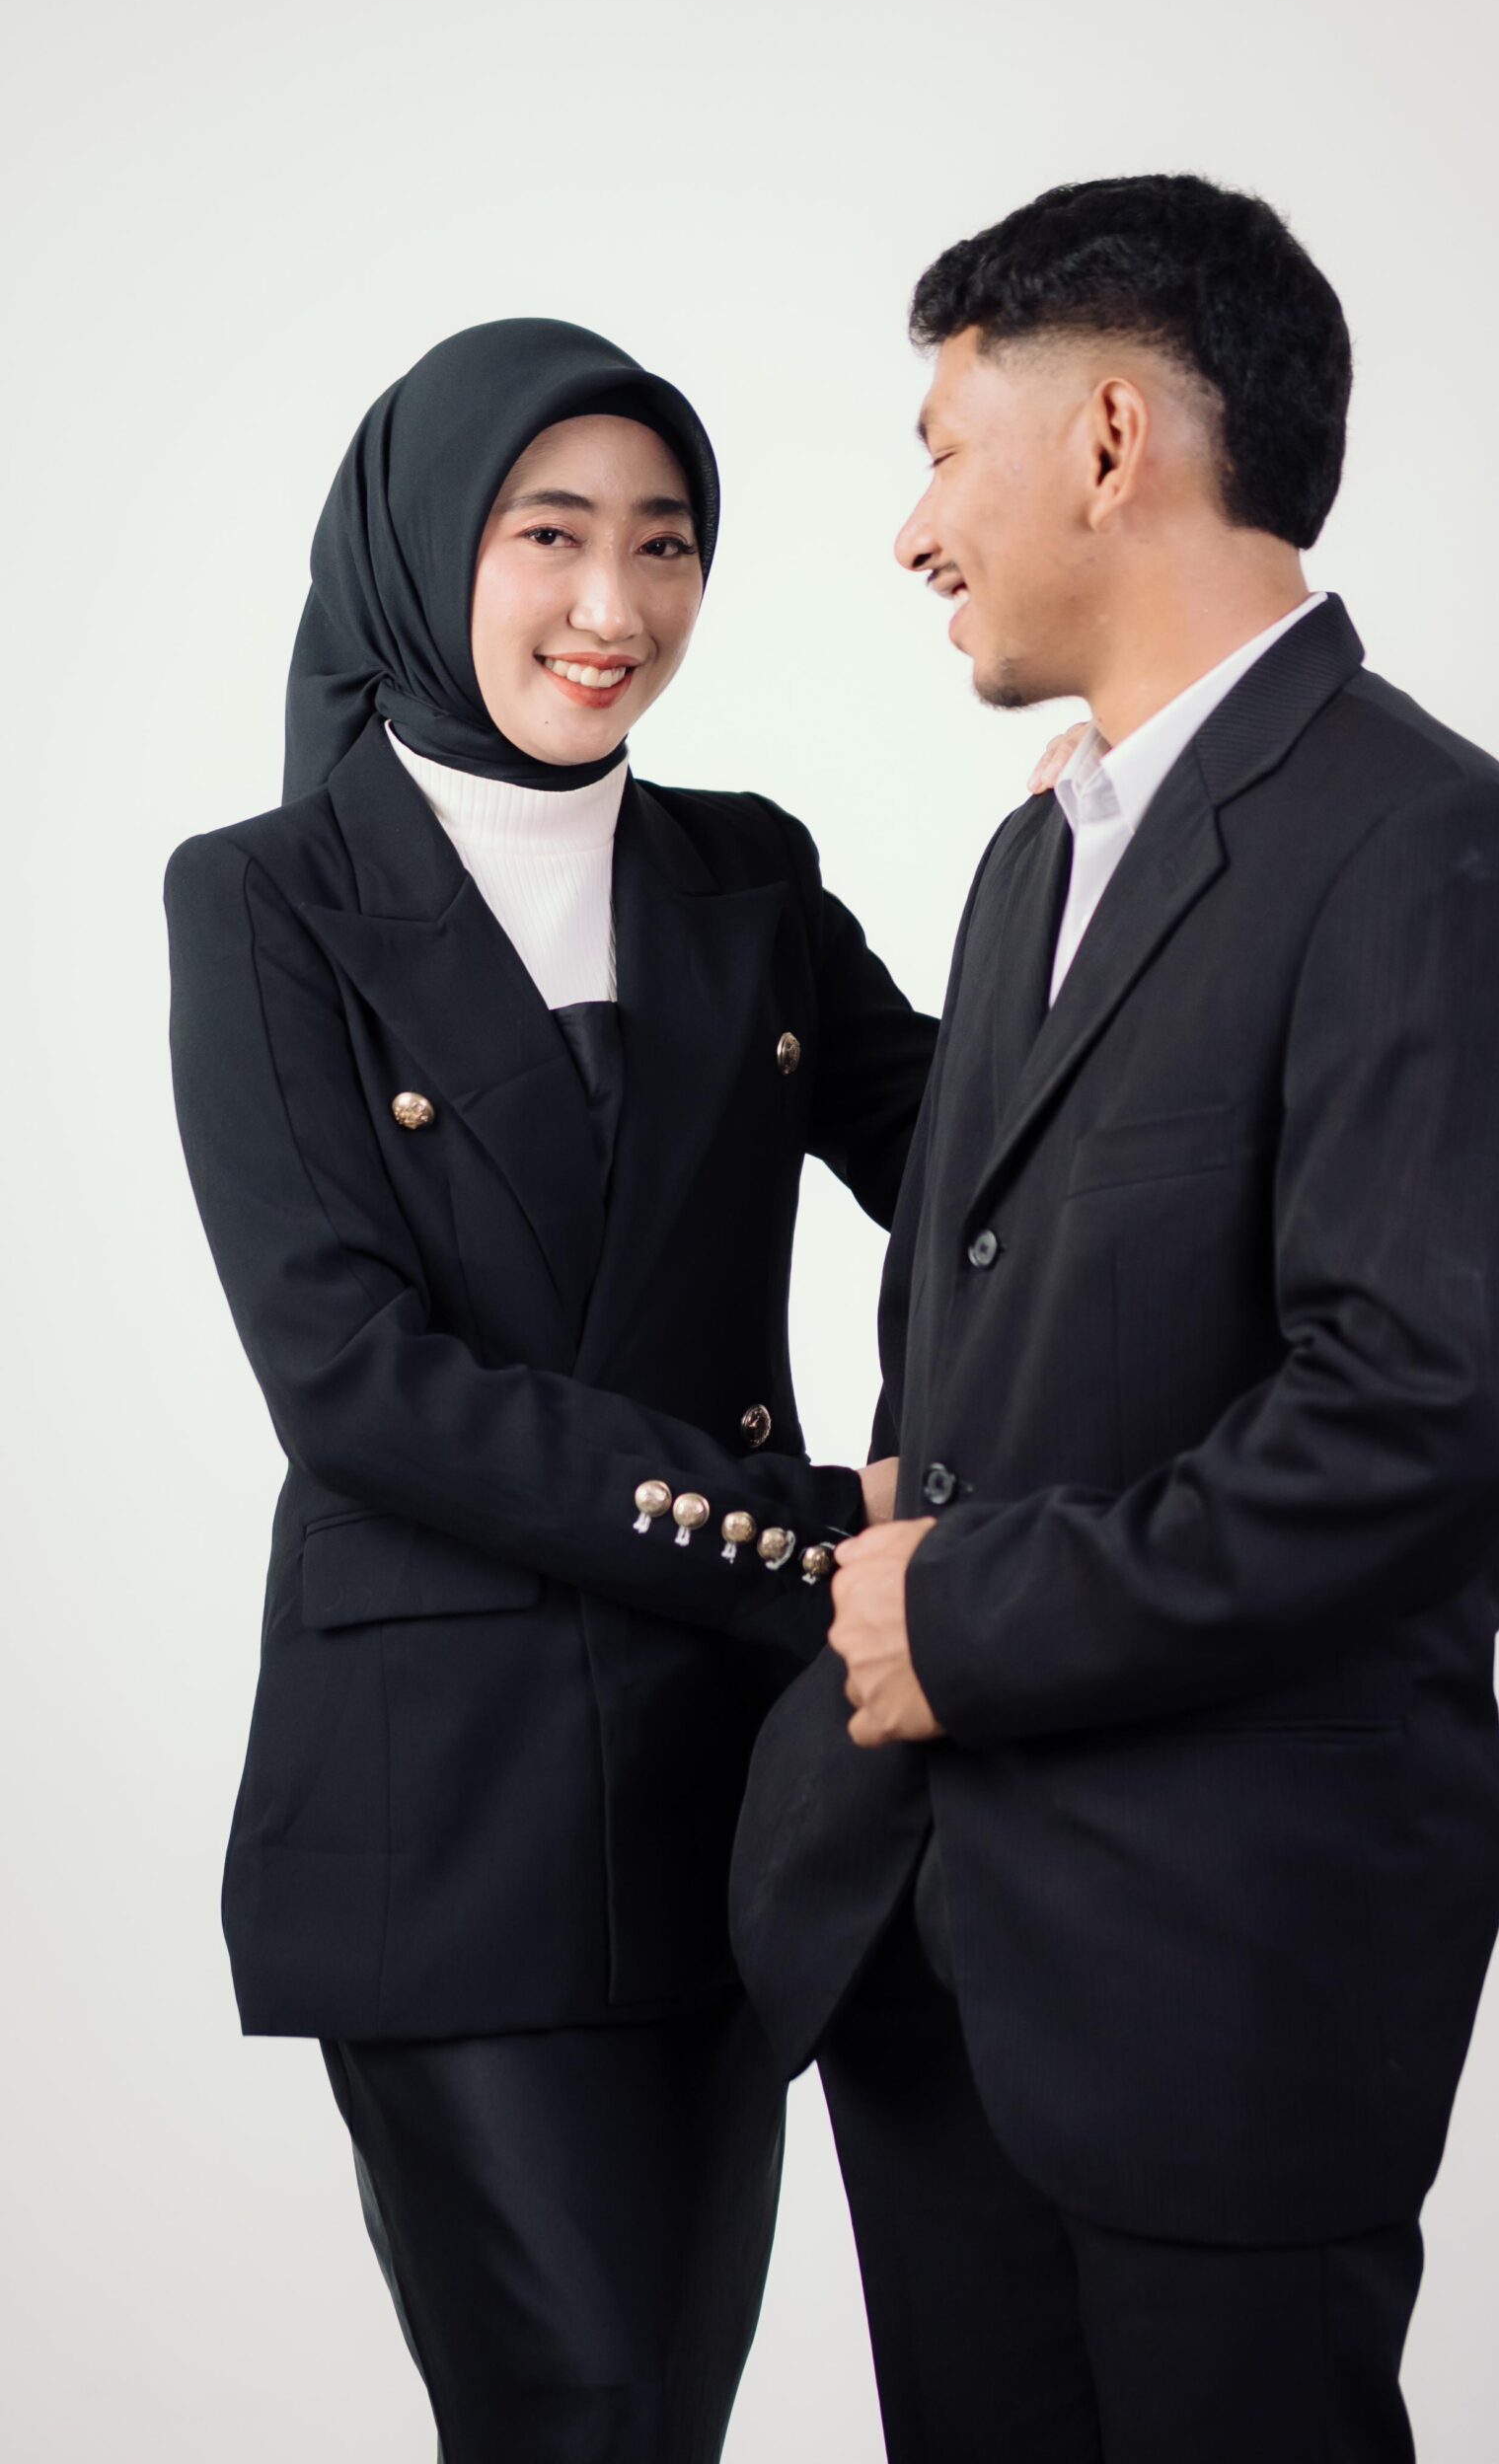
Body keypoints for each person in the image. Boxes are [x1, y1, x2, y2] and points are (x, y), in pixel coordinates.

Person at [731, 177, 1499, 2462]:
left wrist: (964, 1608)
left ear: (1108, 438)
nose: (912, 530)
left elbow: (1409, 1424)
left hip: (1225, 1982)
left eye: (943, 447)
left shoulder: (1432, 848)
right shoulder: (1033, 854)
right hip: (929, 1946)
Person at [163, 316, 936, 2464]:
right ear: (427, 545)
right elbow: (357, 1383)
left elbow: (983, 1173)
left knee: (666, 2408)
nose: (616, 605)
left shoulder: (747, 873)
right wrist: (817, 1534)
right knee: (573, 2408)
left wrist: (1104, 891)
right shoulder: (266, 898)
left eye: (666, 543)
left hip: (732, 1796)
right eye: (551, 534)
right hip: (450, 1813)